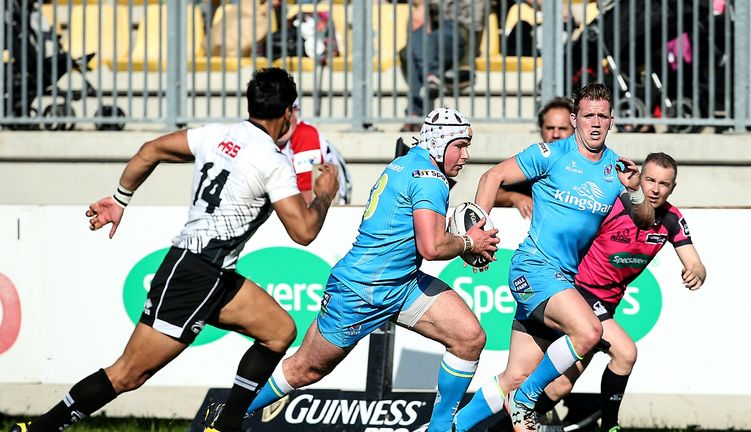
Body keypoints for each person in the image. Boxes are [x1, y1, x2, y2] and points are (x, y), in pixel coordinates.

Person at [8, 67, 340, 432]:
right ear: (289, 112)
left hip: (214, 273)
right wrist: (325, 191)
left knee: (278, 330)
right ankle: (37, 429)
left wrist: (120, 200)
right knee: (127, 375)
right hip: (194, 275)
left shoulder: (216, 134)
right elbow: (304, 232)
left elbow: (151, 150)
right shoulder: (272, 161)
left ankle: (225, 425)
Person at [204, 107, 500, 432]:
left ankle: (441, 428)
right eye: (460, 145)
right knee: (306, 369)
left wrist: (463, 241)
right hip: (361, 290)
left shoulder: (409, 162)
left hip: (400, 285)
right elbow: (431, 247)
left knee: (469, 338)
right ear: (440, 143)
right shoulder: (430, 180)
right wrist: (469, 243)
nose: (466, 155)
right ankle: (227, 415)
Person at [451, 82, 655, 432]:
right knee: (588, 332)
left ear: (611, 121)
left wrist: (634, 189)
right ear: (575, 119)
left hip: (561, 280)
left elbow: (645, 221)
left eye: (602, 116)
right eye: (588, 115)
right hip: (534, 269)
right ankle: (526, 401)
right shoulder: (552, 154)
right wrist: (478, 231)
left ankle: (448, 429)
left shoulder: (616, 168)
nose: (595, 123)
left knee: (513, 377)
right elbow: (492, 175)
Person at [530, 152, 706, 432]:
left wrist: (696, 272)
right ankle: (610, 426)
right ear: (639, 179)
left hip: (606, 304)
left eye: (664, 183)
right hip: (578, 293)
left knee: (561, 386)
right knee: (625, 352)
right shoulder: (612, 205)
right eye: (649, 180)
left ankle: (503, 424)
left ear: (673, 187)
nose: (655, 189)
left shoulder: (672, 219)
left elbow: (695, 262)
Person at [398, 0, 485, 131]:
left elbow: (471, 21)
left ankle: (414, 113)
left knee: (415, 49)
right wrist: (423, 7)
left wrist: (425, 6)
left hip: (459, 32)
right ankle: (431, 77)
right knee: (411, 47)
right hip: (434, 37)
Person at [495, 96, 575, 218]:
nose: (555, 134)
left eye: (562, 128)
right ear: (541, 130)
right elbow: (494, 193)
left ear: (576, 130)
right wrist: (515, 197)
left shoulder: (591, 163)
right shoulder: (532, 163)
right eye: (549, 128)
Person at [277, 100, 352, 205]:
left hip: (328, 211)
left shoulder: (305, 135)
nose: (279, 121)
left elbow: (307, 198)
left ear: (294, 111)